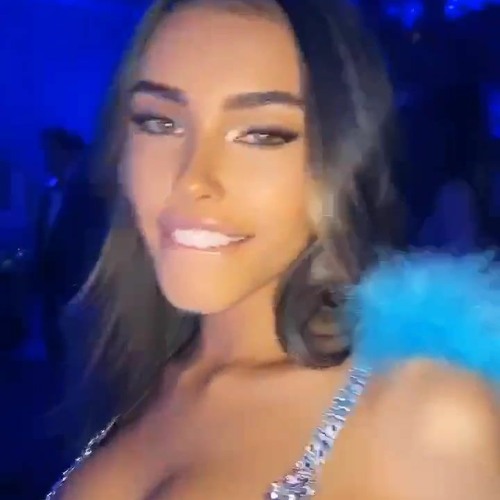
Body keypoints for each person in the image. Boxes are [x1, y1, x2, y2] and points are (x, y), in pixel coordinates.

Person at [47, 1, 500, 499]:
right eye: (159, 122)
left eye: (261, 134)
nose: (192, 179)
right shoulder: (127, 374)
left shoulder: (429, 416)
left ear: (341, 159)